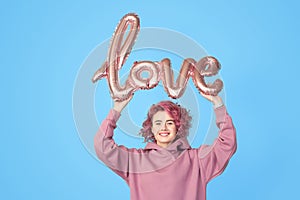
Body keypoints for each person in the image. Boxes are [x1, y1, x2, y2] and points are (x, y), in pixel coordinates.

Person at [94, 92, 237, 200]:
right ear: (151, 128)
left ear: (178, 127)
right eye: (158, 123)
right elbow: (102, 146)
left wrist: (218, 105)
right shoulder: (135, 161)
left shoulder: (197, 160)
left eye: (169, 122)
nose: (164, 127)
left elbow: (227, 143)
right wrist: (116, 111)